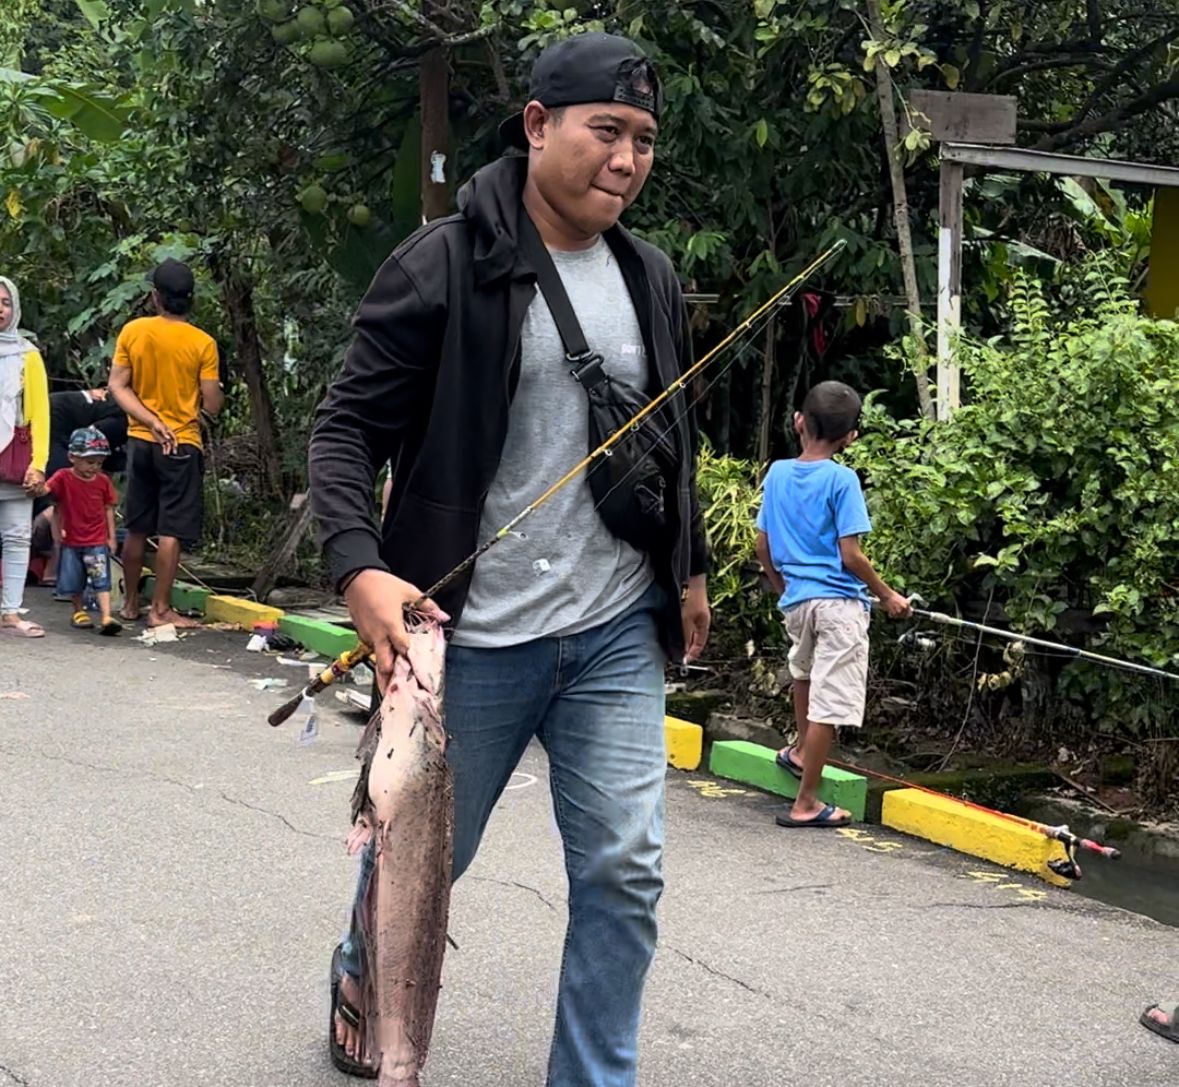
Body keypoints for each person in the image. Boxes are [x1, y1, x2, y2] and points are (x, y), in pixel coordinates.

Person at [308, 32, 711, 1085]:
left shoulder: (649, 274)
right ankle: (365, 963)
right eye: (606, 132)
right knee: (425, 861)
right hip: (471, 640)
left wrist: (691, 568)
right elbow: (345, 429)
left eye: (645, 141)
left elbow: (673, 439)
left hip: (614, 628)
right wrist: (359, 567)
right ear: (538, 125)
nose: (627, 160)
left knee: (625, 867)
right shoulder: (443, 263)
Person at [754, 380, 911, 828]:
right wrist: (889, 596)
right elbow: (851, 555)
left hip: (797, 602)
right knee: (830, 703)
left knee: (803, 676)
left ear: (798, 421)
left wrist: (782, 586)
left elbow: (762, 545)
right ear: (851, 437)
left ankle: (802, 752)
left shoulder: (779, 473)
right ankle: (806, 803)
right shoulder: (843, 480)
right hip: (839, 605)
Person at [107, 259, 223, 628]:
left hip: (141, 440)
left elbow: (117, 386)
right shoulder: (202, 343)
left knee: (139, 525)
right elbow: (211, 402)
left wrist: (150, 420)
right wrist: (215, 394)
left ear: (155, 297)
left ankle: (128, 604)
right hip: (182, 443)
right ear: (191, 300)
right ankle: (159, 610)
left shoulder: (134, 331)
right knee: (171, 528)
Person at [36, 386, 127, 585]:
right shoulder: (124, 419)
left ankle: (48, 559)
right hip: (56, 426)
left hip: (47, 417)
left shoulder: (114, 400)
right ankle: (54, 565)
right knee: (66, 499)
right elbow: (93, 443)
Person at [0, 275, 50, 638]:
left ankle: (11, 613)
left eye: (4, 302)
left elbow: (40, 413)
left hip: (13, 461)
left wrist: (39, 464)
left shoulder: (27, 354)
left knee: (18, 537)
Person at [35, 426, 121, 635]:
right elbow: (47, 490)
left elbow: (108, 509)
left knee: (101, 578)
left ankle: (106, 615)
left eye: (99, 463)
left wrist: (111, 536)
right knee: (74, 578)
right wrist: (36, 483)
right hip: (72, 540)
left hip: (97, 539)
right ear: (73, 457)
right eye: (90, 462)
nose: (94, 467)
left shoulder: (103, 481)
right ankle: (78, 610)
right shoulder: (63, 477)